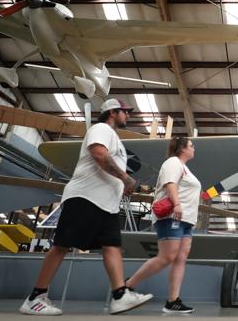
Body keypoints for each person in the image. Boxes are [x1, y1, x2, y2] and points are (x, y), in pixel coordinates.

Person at [20, 98, 153, 315]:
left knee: (112, 246)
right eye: (125, 112)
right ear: (112, 112)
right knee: (62, 245)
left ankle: (120, 295)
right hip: (86, 198)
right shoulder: (101, 128)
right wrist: (125, 178)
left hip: (106, 205)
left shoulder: (115, 137)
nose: (128, 115)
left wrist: (122, 184)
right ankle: (35, 297)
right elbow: (99, 154)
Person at [125, 136, 201, 314]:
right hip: (172, 216)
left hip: (187, 220)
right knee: (167, 257)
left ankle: (172, 301)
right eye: (192, 145)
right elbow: (170, 184)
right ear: (182, 149)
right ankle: (126, 287)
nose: (194, 148)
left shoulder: (185, 168)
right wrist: (176, 204)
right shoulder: (173, 163)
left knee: (181, 257)